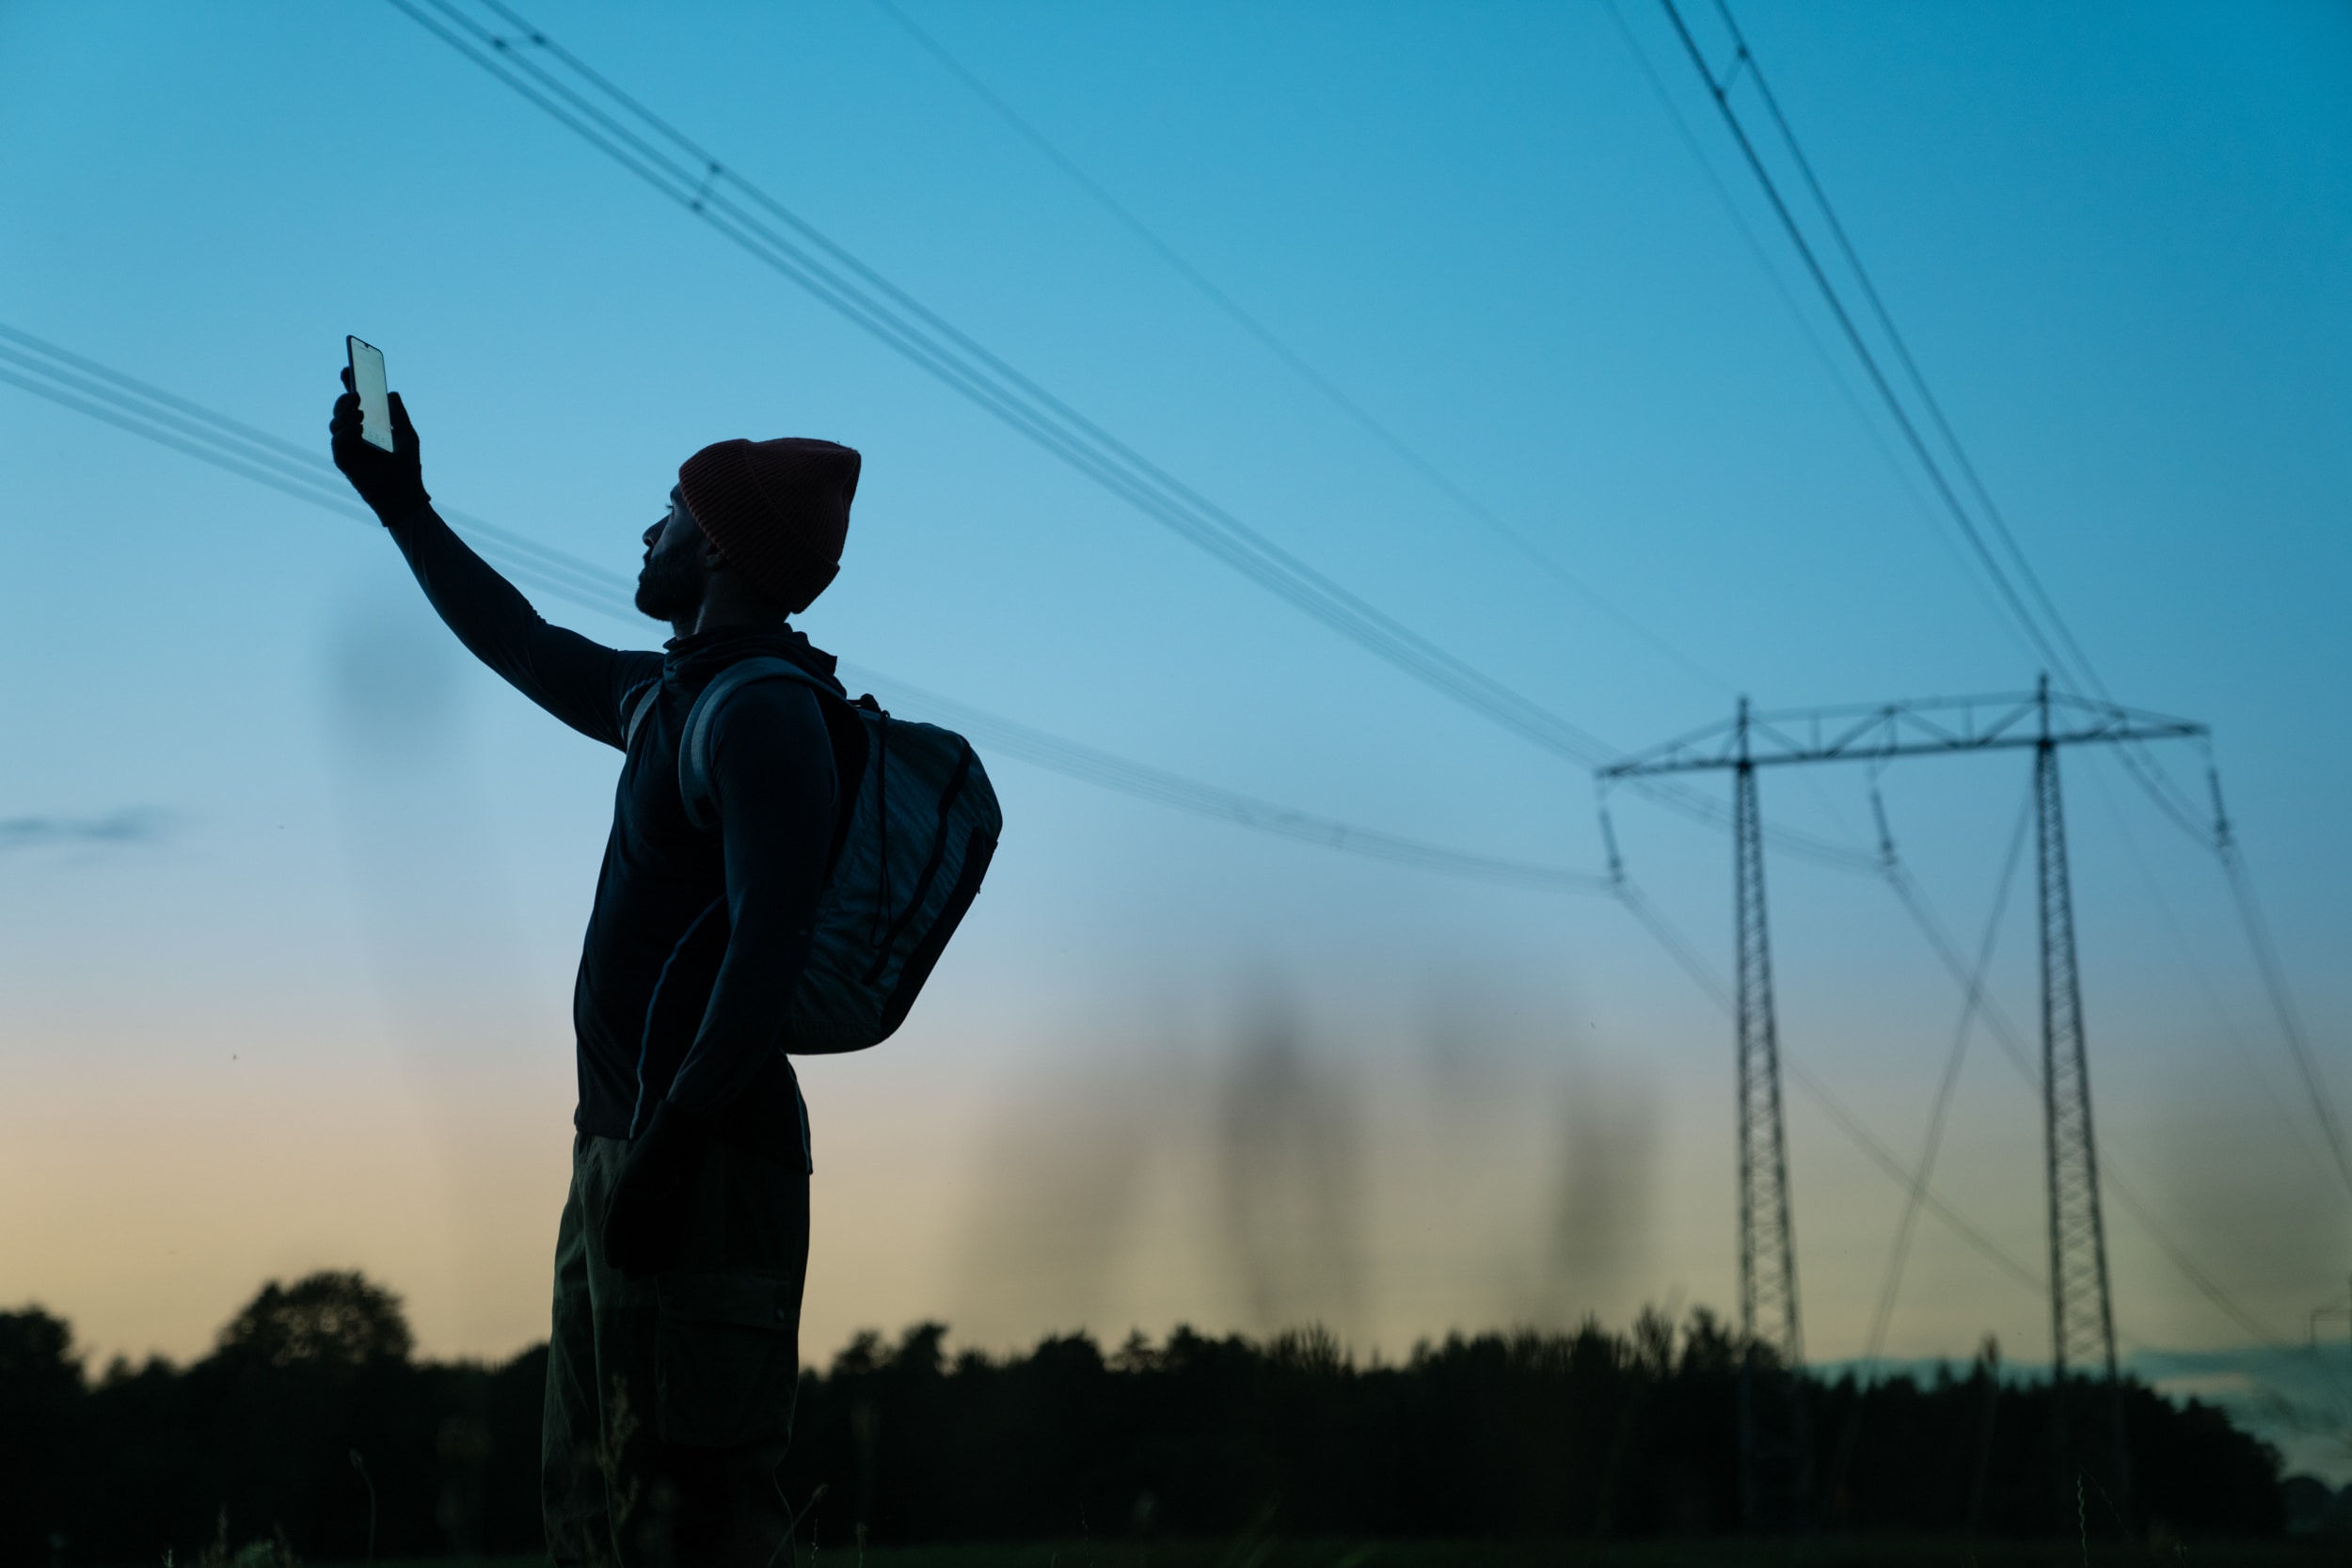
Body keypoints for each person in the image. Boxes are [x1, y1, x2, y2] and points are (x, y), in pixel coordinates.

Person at [331, 370, 864, 1565]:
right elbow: (520, 639)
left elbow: (767, 957)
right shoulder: (671, 694)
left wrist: (666, 1156)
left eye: (669, 508)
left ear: (717, 541)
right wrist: (402, 506)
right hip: (628, 1151)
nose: (647, 528)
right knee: (602, 1516)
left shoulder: (762, 713)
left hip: (703, 1159)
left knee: (698, 1526)